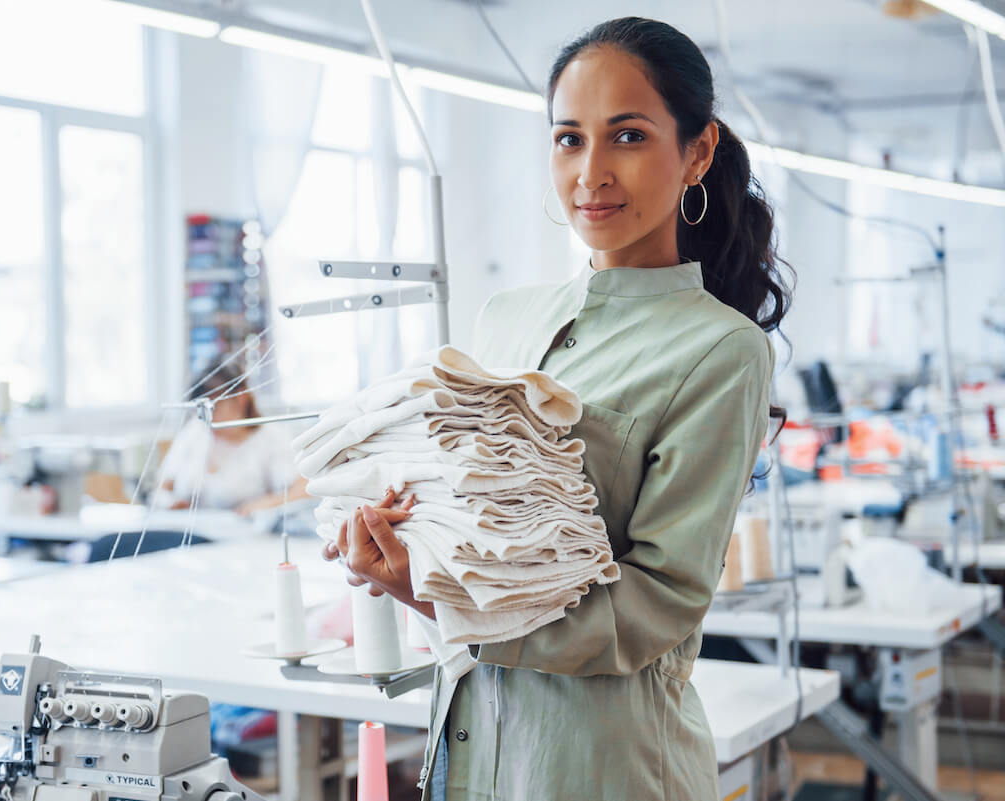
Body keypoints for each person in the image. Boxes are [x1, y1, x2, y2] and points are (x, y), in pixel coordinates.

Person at [323, 17, 793, 801]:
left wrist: (437, 588)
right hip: (465, 754)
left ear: (698, 152)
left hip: (601, 768)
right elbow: (464, 520)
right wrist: (401, 534)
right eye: (569, 139)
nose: (592, 172)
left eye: (630, 136)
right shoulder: (503, 319)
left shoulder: (722, 351)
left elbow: (657, 603)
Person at [153, 361, 308, 515]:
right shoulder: (195, 430)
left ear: (241, 399)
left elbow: (304, 489)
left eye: (215, 407)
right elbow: (163, 486)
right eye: (200, 410)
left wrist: (269, 503)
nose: (208, 418)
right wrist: (167, 502)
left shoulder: (271, 438)